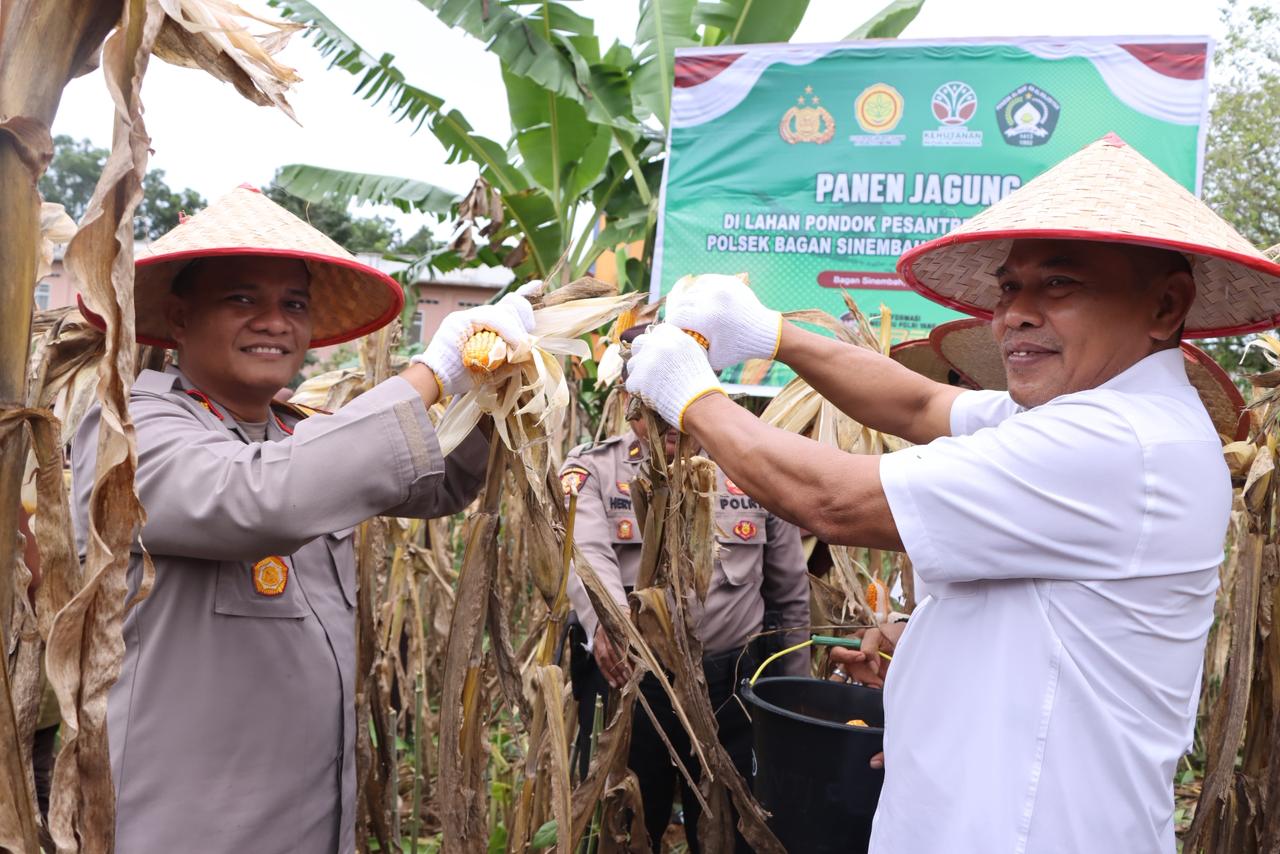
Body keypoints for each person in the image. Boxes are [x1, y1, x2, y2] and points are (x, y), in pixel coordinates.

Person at [622, 134, 1280, 853]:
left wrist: (691, 395)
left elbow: (831, 501)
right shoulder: (1093, 416)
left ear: (1165, 304)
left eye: (1059, 284)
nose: (1014, 315)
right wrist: (771, 334)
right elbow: (920, 405)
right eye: (1008, 288)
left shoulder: (1117, 443)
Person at [72, 185, 534, 854]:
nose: (274, 322)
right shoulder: (130, 432)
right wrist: (430, 372)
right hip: (188, 825)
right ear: (179, 316)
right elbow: (260, 497)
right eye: (242, 300)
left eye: (293, 304)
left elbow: (441, 484)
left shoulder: (295, 433)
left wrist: (501, 391)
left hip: (311, 820)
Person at [561, 357, 809, 853]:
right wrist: (611, 623)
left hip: (732, 688)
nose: (670, 419)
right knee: (627, 826)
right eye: (653, 404)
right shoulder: (594, 469)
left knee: (731, 829)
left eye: (682, 400)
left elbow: (789, 594)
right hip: (631, 684)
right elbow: (585, 556)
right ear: (629, 404)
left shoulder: (754, 470)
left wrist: (793, 695)